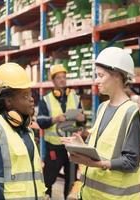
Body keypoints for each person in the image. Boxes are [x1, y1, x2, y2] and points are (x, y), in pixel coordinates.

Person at [61, 47, 140, 200]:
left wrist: (97, 164)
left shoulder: (130, 113)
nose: (96, 80)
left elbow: (131, 161)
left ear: (117, 75)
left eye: (100, 75)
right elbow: (101, 148)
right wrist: (82, 146)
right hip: (90, 195)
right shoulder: (102, 107)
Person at [0, 62, 46, 200]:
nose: (31, 99)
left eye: (30, 94)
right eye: (25, 95)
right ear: (8, 101)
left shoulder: (27, 131)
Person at [37, 64, 84, 199]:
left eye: (64, 77)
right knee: (48, 178)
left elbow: (81, 121)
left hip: (71, 146)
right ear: (53, 81)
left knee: (71, 180)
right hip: (54, 147)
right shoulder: (45, 100)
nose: (62, 80)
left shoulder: (75, 97)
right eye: (59, 78)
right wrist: (55, 119)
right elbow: (40, 121)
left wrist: (82, 118)